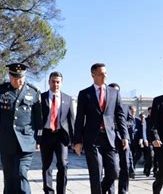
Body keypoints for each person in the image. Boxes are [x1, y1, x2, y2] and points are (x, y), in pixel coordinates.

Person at [0, 62, 42, 194]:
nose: (18, 80)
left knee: (21, 173)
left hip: (27, 141)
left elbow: (39, 119)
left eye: (21, 77)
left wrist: (39, 139)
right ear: (9, 76)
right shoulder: (1, 90)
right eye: (15, 77)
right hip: (7, 141)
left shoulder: (33, 92)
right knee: (9, 178)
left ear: (25, 75)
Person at [73, 63, 129, 194]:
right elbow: (79, 119)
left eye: (105, 73)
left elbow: (120, 116)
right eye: (100, 74)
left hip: (109, 138)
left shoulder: (114, 93)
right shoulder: (84, 94)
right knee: (96, 174)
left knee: (114, 171)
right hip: (92, 139)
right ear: (93, 75)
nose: (104, 76)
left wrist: (124, 136)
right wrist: (77, 141)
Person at [39, 72, 75, 194]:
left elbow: (71, 120)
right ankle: (48, 191)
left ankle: (61, 191)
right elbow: (37, 119)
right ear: (49, 82)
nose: (56, 84)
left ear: (61, 83)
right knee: (47, 166)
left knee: (63, 165)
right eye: (53, 81)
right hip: (46, 135)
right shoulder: (41, 97)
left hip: (61, 136)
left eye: (58, 82)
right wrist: (36, 138)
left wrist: (74, 140)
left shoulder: (68, 99)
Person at [108, 83, 135, 194]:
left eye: (116, 91)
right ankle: (111, 191)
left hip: (123, 138)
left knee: (125, 166)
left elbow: (131, 121)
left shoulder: (125, 107)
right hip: (109, 138)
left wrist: (121, 124)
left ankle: (123, 191)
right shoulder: (105, 106)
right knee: (111, 167)